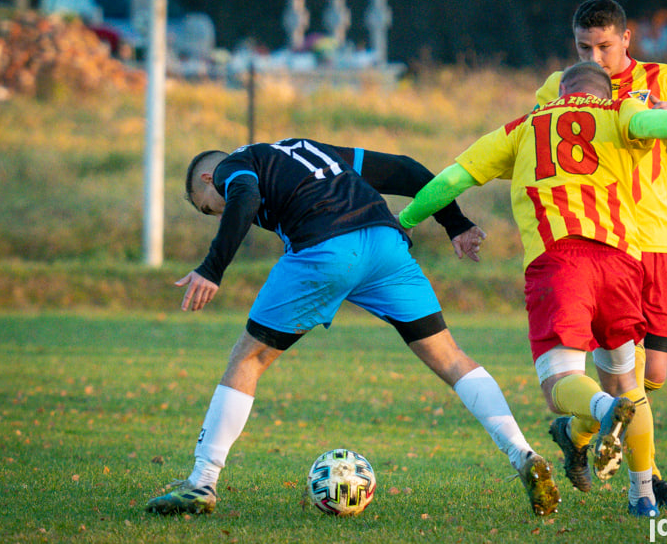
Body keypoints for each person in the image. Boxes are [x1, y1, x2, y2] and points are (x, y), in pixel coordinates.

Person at [144, 139, 561, 517]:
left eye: (206, 206)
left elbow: (244, 197)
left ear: (206, 178)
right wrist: (455, 223)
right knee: (451, 358)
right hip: (385, 246)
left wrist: (211, 268)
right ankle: (522, 453)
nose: (213, 210)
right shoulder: (309, 151)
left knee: (248, 358)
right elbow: (405, 168)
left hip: (324, 249)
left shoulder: (232, 166)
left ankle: (201, 483)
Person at [399, 61, 667, 517]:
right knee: (630, 381)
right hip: (621, 261)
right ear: (603, 90)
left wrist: (407, 220)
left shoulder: (524, 126)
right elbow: (650, 121)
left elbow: (455, 178)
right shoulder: (619, 108)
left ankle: (602, 407)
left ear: (559, 92)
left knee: (559, 385)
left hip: (559, 263)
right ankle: (643, 498)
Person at [534, 0, 667, 509]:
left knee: (653, 374)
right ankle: (649, 481)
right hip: (604, 242)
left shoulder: (665, 79)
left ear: (627, 38)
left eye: (604, 46)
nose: (594, 57)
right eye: (583, 47)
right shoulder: (562, 84)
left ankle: (574, 433)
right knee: (627, 372)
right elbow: (536, 143)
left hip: (656, 237)